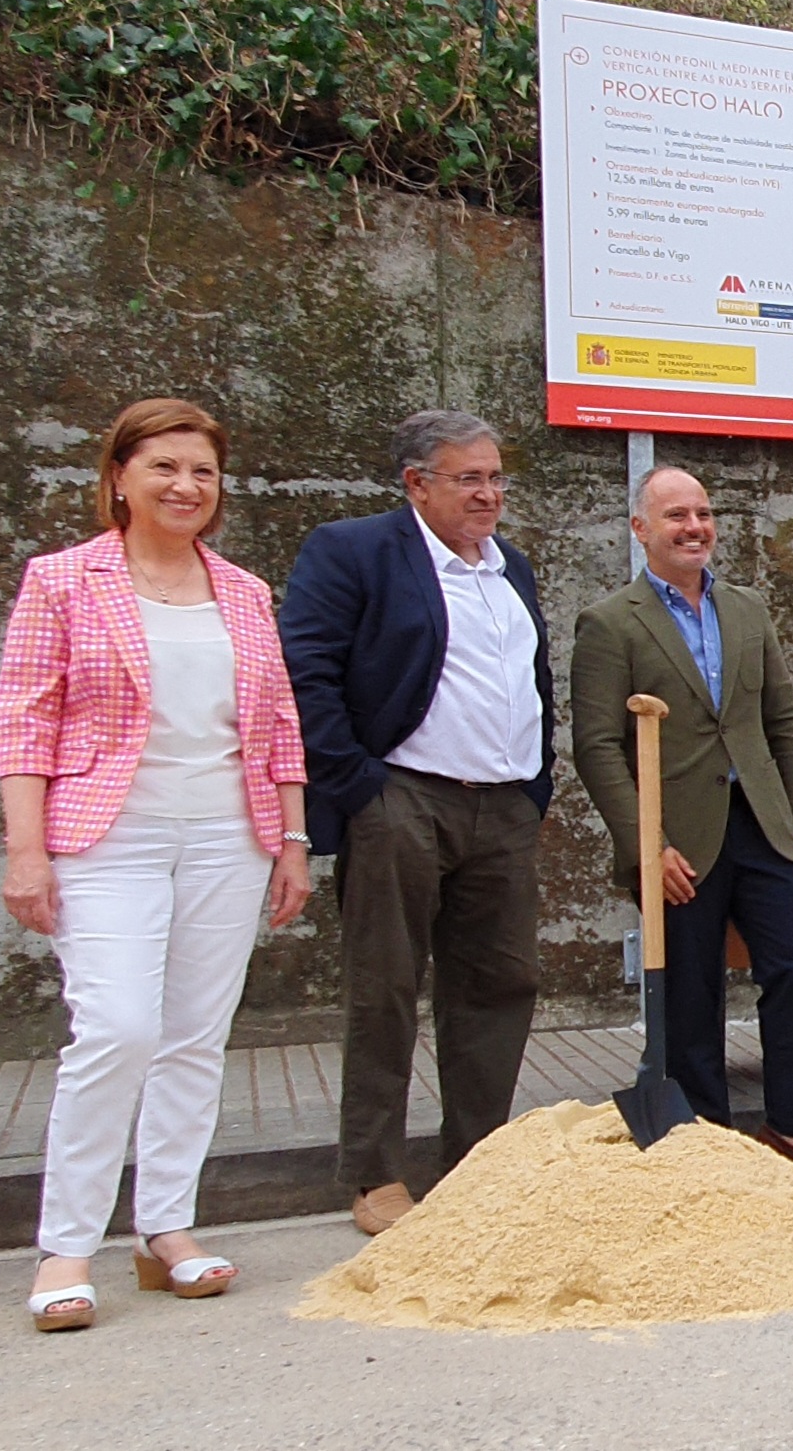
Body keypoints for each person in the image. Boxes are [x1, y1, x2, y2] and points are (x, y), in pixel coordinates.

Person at [0, 398, 312, 1331]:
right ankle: (66, 1245)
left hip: (228, 834)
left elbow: (279, 724)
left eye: (204, 471)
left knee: (194, 1035)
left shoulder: (244, 592)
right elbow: (23, 720)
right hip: (107, 835)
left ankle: (166, 1227)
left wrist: (291, 839)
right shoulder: (61, 582)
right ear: (120, 477)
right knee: (118, 1029)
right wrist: (25, 853)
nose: (186, 486)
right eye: (165, 467)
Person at [277, 411, 556, 1234]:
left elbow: (533, 677)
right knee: (387, 985)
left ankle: (476, 1163)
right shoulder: (355, 550)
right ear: (416, 484)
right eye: (469, 478)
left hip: (503, 805)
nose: (489, 494)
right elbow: (307, 671)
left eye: (497, 477)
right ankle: (374, 1175)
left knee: (501, 985)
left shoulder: (515, 570)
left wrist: (534, 785)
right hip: (401, 798)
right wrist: (362, 787)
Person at [571, 466, 793, 1179]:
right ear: (641, 530)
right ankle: (704, 1141)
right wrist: (646, 846)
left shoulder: (748, 609)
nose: (694, 527)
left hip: (761, 823)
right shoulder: (610, 623)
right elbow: (598, 746)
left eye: (702, 513)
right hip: (678, 838)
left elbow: (781, 719)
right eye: (675, 516)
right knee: (690, 991)